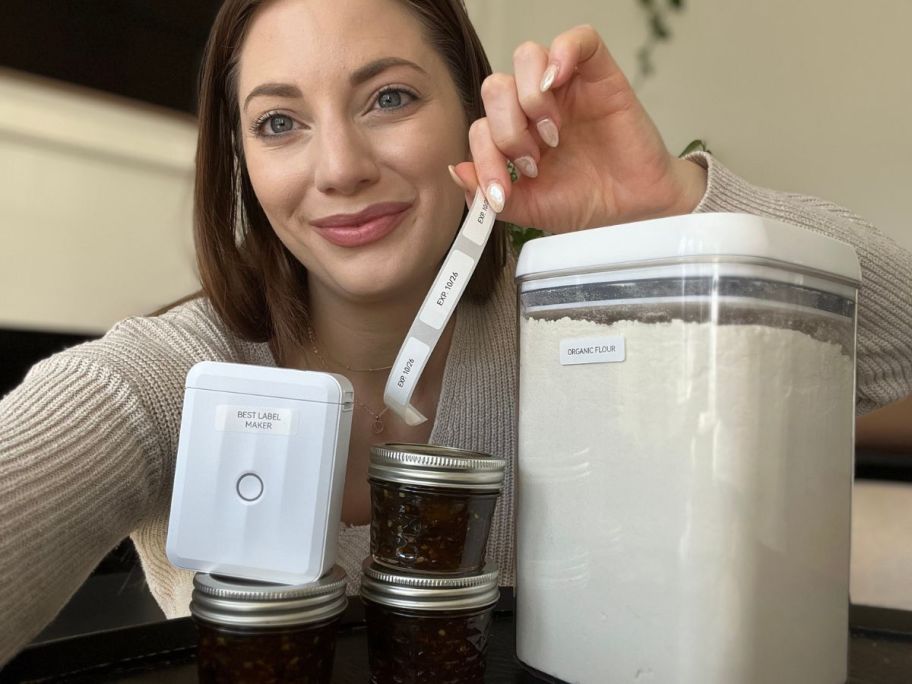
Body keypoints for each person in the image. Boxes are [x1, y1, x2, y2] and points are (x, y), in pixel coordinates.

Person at [1, 0, 910, 666]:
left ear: (475, 115)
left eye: (388, 98)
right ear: (240, 161)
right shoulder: (171, 377)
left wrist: (667, 201)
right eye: (279, 122)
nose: (340, 168)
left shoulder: (581, 330)